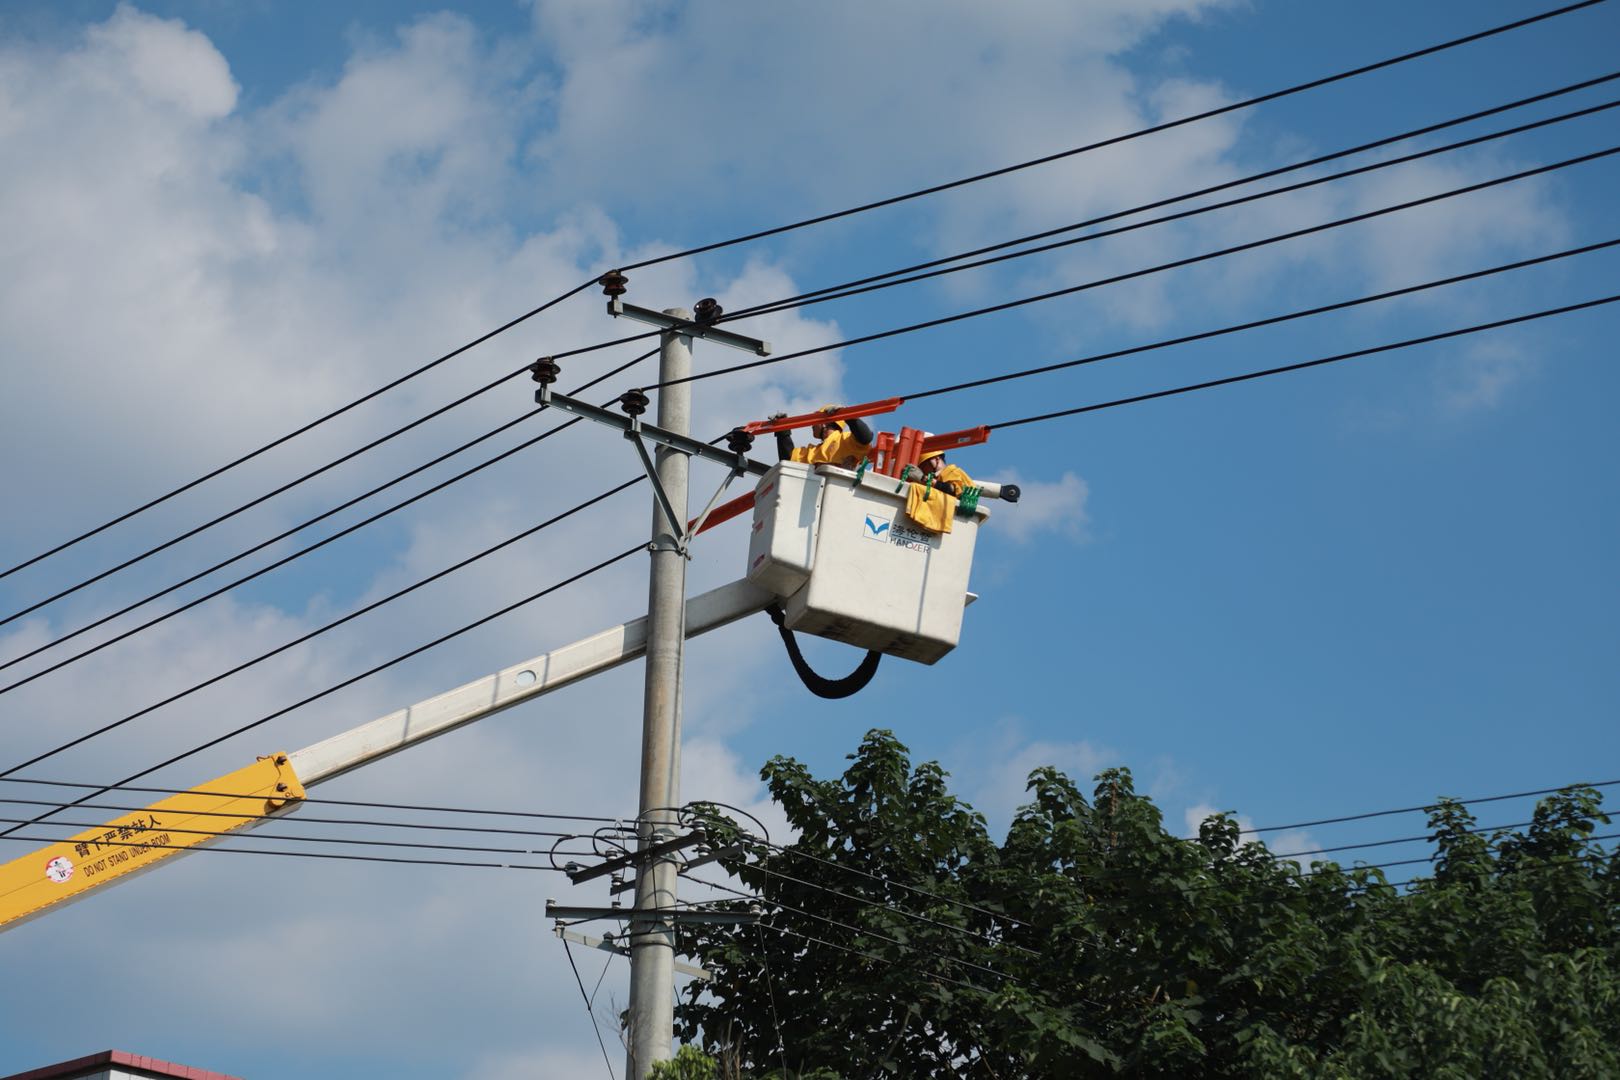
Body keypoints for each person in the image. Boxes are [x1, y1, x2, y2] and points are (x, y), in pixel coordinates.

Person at [770, 405, 874, 468]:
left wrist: (848, 416)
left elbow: (866, 437)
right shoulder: (814, 451)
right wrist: (782, 431)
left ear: (824, 422)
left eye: (815, 420)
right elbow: (788, 459)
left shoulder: (845, 440)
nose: (812, 425)